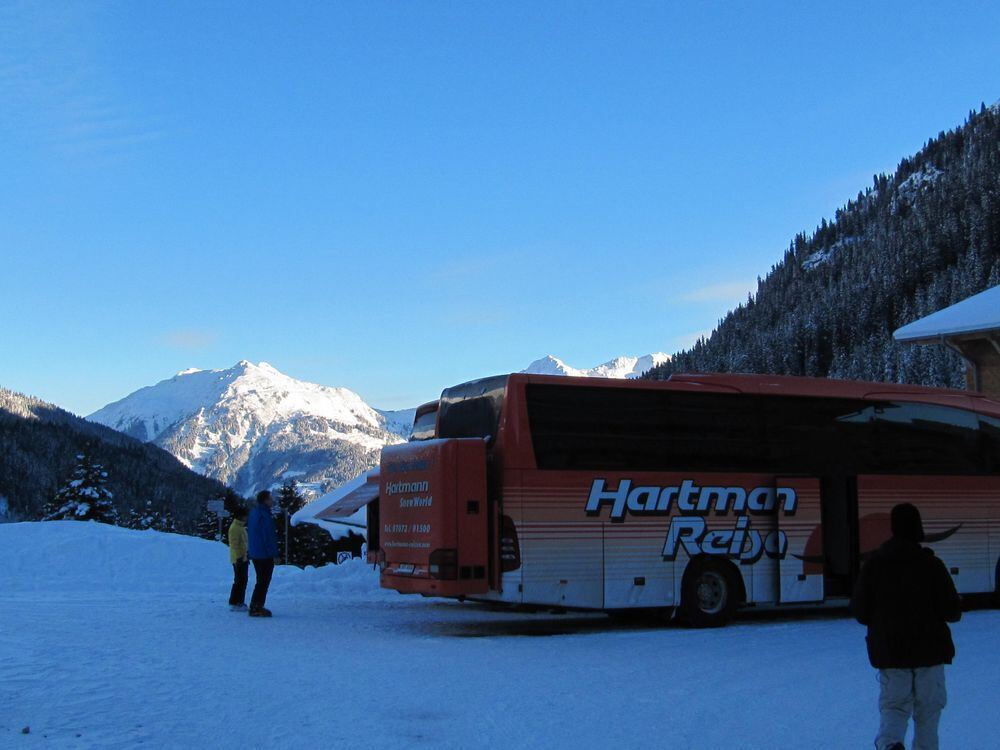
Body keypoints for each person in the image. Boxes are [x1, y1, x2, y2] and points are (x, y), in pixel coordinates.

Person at [851, 503, 962, 750]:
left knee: (894, 708)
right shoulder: (932, 565)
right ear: (918, 529)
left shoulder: (874, 565)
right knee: (928, 714)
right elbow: (952, 612)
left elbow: (860, 612)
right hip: (930, 653)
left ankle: (891, 745)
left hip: (891, 654)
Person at [247, 490, 279, 617]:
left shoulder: (254, 513)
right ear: (265, 500)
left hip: (255, 552)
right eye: (270, 499)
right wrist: (274, 553)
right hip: (264, 553)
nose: (273, 501)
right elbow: (268, 536)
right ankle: (257, 606)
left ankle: (255, 605)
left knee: (260, 580)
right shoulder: (265, 515)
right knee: (264, 580)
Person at [227, 507, 249, 611]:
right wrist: (239, 557)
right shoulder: (236, 528)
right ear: (241, 516)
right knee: (241, 581)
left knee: (239, 580)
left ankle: (234, 601)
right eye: (245, 516)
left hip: (242, 558)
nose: (246, 518)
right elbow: (234, 545)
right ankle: (238, 602)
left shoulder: (240, 527)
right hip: (239, 559)